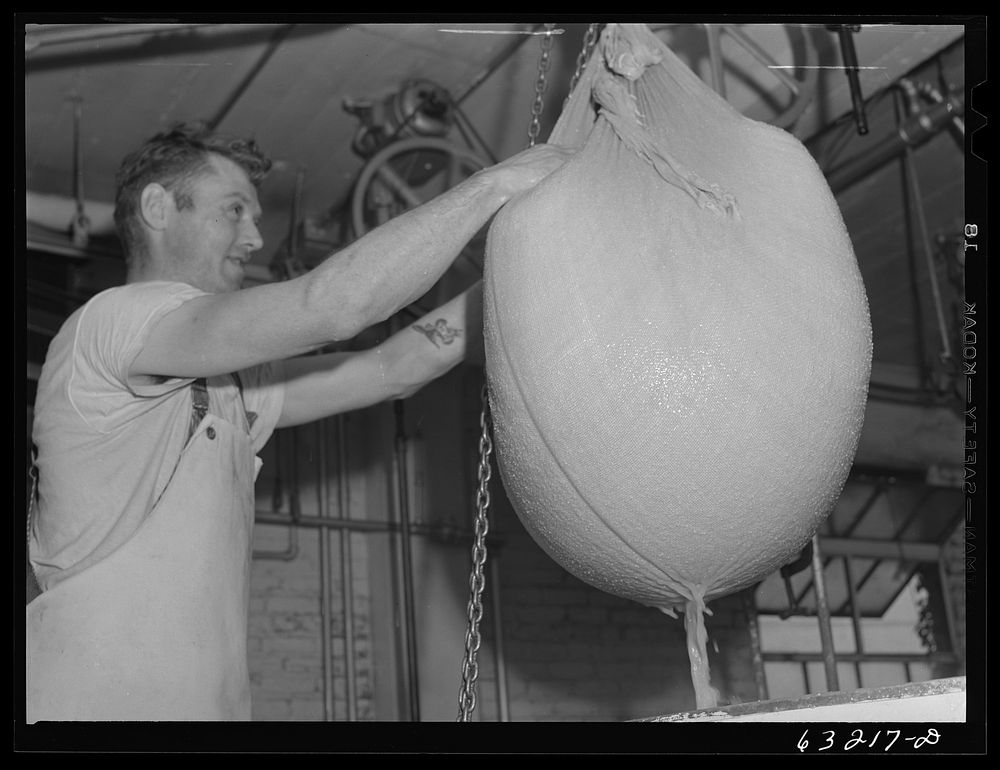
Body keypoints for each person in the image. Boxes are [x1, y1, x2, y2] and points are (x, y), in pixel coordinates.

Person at [26, 121, 572, 722]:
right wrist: (493, 186)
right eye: (233, 210)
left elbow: (393, 367)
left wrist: (514, 279)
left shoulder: (231, 384)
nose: (255, 237)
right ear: (158, 207)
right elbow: (332, 307)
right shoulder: (112, 323)